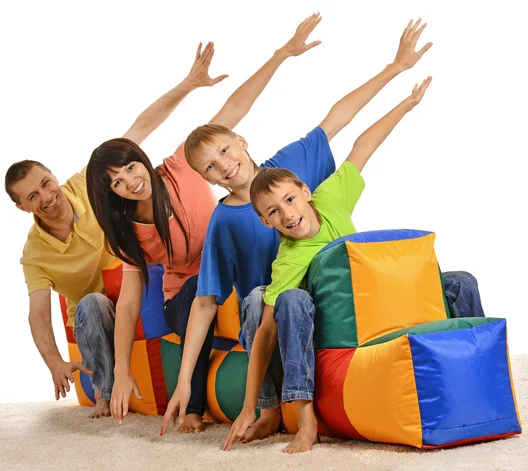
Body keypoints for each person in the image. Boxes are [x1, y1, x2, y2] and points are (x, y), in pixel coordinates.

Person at [160, 19, 436, 451]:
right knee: (262, 299)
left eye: (226, 151)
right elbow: (205, 301)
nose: (225, 166)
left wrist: (395, 68)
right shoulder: (225, 221)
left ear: (241, 141)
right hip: (276, 312)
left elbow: (342, 123)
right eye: (210, 167)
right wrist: (184, 383)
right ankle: (273, 407)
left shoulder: (290, 168)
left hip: (335, 294)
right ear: (206, 180)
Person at [86, 13, 323, 432]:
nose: (130, 182)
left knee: (255, 290)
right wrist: (122, 369)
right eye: (117, 183)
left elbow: (233, 110)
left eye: (130, 169)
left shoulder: (182, 166)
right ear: (112, 194)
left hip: (227, 283)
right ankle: (192, 404)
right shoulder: (128, 230)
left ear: (141, 159)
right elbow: (127, 301)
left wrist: (281, 55)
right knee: (199, 292)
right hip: (188, 296)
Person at [4, 41, 227, 419]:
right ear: (22, 206)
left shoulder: (94, 188)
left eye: (45, 183)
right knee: (90, 305)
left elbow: (140, 128)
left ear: (53, 176)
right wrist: (55, 362)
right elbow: (38, 315)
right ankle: (108, 397)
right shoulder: (35, 254)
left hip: (136, 281)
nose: (46, 196)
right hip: (100, 310)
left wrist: (188, 85)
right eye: (32, 196)